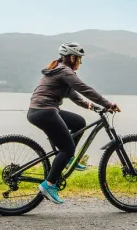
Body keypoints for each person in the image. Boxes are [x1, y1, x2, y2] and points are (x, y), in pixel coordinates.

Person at [28, 42, 120, 205]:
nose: (80, 62)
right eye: (79, 59)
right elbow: (84, 89)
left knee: (79, 123)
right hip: (45, 111)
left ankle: (67, 159)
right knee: (67, 148)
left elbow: (74, 95)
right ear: (72, 58)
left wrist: (92, 106)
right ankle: (49, 185)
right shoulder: (65, 71)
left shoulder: (59, 70)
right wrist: (108, 104)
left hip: (41, 111)